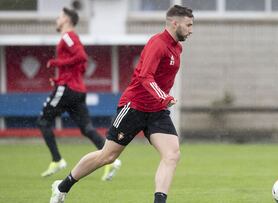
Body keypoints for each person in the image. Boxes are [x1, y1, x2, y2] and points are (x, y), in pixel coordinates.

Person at [49, 5, 194, 203]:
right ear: (175, 23)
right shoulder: (157, 43)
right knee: (107, 156)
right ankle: (62, 186)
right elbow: (145, 76)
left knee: (172, 154)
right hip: (133, 107)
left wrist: (162, 99)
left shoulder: (177, 47)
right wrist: (164, 97)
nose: (191, 30)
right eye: (188, 25)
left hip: (157, 110)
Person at [37, 7, 121, 181]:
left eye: (60, 16)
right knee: (87, 128)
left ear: (67, 20)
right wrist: (64, 76)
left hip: (67, 88)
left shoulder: (67, 36)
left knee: (43, 121)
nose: (57, 19)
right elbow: (80, 66)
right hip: (77, 89)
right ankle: (111, 160)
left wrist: (57, 63)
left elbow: (82, 57)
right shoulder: (73, 38)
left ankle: (57, 160)